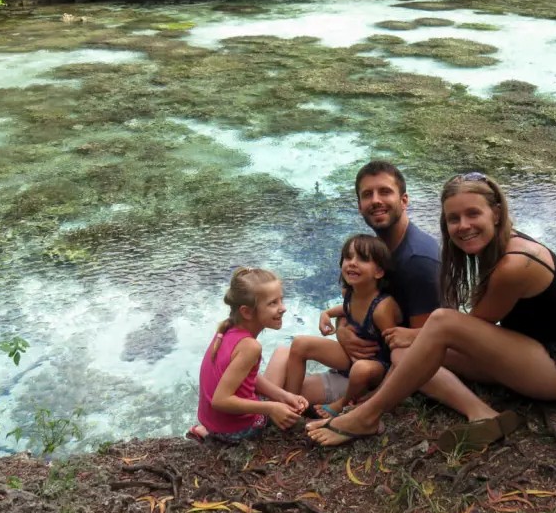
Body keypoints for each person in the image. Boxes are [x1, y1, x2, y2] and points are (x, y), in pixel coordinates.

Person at [307, 172, 556, 450]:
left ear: (495, 212)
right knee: (404, 353)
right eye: (453, 218)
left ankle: (366, 416)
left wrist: (417, 333)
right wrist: (409, 337)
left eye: (473, 214)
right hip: (523, 353)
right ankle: (482, 413)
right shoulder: (495, 245)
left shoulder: (516, 264)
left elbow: (468, 326)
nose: (463, 225)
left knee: (439, 323)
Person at [263, 161, 440, 407]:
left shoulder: (418, 261)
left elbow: (422, 344)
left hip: (380, 369)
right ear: (359, 206)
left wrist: (374, 398)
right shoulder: (379, 251)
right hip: (356, 356)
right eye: (368, 194)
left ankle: (260, 411)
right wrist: (343, 330)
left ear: (404, 200)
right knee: (287, 360)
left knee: (279, 389)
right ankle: (264, 407)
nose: (376, 200)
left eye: (385, 191)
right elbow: (355, 303)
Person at [283, 234, 402, 418]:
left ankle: (341, 403)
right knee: (300, 343)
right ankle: (290, 403)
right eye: (348, 257)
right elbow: (347, 308)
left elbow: (397, 352)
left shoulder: (382, 308)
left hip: (377, 367)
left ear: (378, 272)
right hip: (351, 357)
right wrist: (327, 314)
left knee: (360, 369)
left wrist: (381, 392)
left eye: (362, 259)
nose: (352, 263)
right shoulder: (349, 292)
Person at [187, 267, 309, 443]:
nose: (283, 308)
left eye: (281, 300)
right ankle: (212, 438)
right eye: (273, 303)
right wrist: (272, 408)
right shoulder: (250, 347)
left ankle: (206, 432)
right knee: (287, 415)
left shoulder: (227, 329)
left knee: (283, 352)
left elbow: (243, 376)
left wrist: (284, 396)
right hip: (237, 430)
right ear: (246, 312)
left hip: (214, 422)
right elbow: (220, 401)